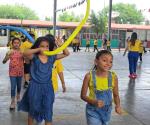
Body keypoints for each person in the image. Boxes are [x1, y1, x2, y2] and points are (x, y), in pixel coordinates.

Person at [18, 36, 69, 125]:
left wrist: (62, 45)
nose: (45, 48)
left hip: (48, 87)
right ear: (38, 46)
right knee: (32, 110)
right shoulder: (34, 57)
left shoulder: (52, 57)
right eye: (42, 46)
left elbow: (66, 53)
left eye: (47, 46)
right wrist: (38, 49)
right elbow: (24, 53)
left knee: (48, 111)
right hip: (34, 87)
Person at [81, 50, 122, 125]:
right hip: (93, 111)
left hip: (107, 112)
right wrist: (94, 102)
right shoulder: (89, 76)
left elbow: (116, 95)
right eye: (104, 60)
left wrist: (118, 106)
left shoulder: (113, 77)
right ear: (96, 62)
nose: (108, 64)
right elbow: (83, 96)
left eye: (110, 61)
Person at [2, 37, 24, 110]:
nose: (16, 44)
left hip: (20, 72)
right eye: (15, 43)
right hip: (12, 72)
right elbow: (4, 61)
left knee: (19, 86)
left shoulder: (22, 51)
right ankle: (12, 101)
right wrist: (7, 55)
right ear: (12, 44)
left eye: (18, 43)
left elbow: (27, 62)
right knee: (13, 87)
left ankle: (18, 95)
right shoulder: (10, 51)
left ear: (20, 44)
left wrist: (25, 56)